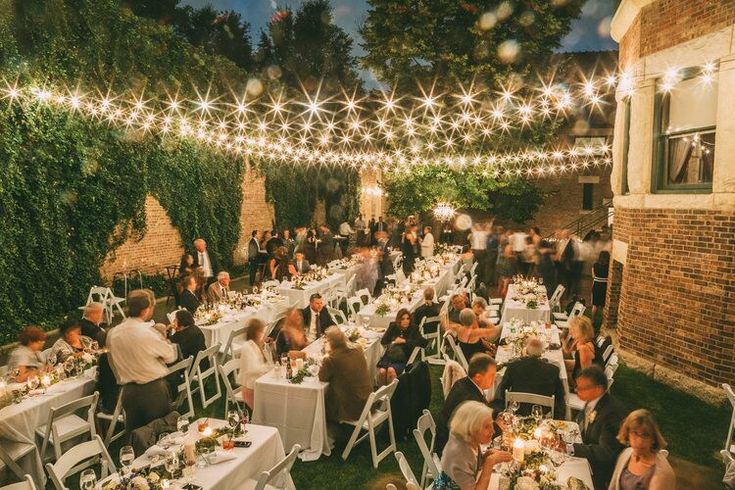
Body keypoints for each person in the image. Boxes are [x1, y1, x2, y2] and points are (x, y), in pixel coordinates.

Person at [106, 289, 178, 432]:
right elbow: (171, 355)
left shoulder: (113, 333)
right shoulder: (146, 332)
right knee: (161, 433)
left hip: (128, 391)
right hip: (152, 390)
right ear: (146, 310)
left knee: (137, 434)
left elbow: (112, 362)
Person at [564, 366, 627, 490]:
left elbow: (605, 452)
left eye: (582, 388)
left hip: (600, 471)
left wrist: (569, 447)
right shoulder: (593, 400)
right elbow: (580, 424)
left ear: (598, 389)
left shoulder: (612, 414)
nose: (577, 390)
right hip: (587, 453)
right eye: (577, 386)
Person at [434, 401, 512, 489]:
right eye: (486, 427)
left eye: (491, 424)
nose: (493, 431)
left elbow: (472, 465)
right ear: (472, 428)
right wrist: (489, 463)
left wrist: (485, 456)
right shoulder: (459, 455)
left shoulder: (470, 440)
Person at [436, 354, 497, 455]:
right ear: (478, 377)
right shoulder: (470, 398)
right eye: (491, 376)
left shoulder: (464, 383)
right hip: (452, 452)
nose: (494, 379)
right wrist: (498, 427)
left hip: (449, 438)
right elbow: (477, 435)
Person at [492, 337, 566, 417]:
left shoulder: (513, 367)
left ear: (526, 351)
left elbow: (503, 391)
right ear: (541, 353)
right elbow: (560, 396)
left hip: (518, 409)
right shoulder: (553, 370)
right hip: (543, 411)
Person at [609, 409, 676, 490]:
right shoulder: (626, 454)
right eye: (635, 433)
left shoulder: (661, 474)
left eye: (645, 435)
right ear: (627, 433)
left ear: (654, 438)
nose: (639, 441)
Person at [318, 327, 372, 424]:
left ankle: (333, 433)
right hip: (369, 402)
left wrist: (327, 354)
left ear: (331, 343)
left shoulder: (331, 359)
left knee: (322, 400)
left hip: (354, 410)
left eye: (326, 341)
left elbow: (322, 377)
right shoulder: (358, 349)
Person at [377, 309, 427, 385]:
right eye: (403, 319)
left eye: (408, 318)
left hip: (403, 358)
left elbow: (424, 343)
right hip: (390, 356)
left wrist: (404, 341)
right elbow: (383, 341)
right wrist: (393, 341)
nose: (406, 321)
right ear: (399, 320)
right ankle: (382, 394)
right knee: (382, 372)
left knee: (391, 370)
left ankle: (393, 395)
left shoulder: (413, 329)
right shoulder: (393, 326)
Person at [238, 318, 275, 409]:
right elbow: (253, 369)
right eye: (261, 332)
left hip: (260, 382)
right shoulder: (247, 347)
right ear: (255, 333)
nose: (263, 335)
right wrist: (269, 368)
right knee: (274, 396)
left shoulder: (258, 345)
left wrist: (268, 348)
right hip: (251, 388)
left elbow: (269, 362)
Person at [564, 316, 603, 387]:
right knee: (560, 366)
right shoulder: (588, 341)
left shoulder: (584, 349)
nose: (570, 332)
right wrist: (564, 363)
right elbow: (580, 364)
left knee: (558, 376)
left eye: (573, 329)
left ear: (581, 331)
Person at [592, 251, 610, 319]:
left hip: (596, 285)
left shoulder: (595, 265)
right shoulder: (609, 266)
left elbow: (593, 276)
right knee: (603, 306)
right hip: (605, 285)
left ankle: (593, 321)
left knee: (595, 305)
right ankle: (603, 322)